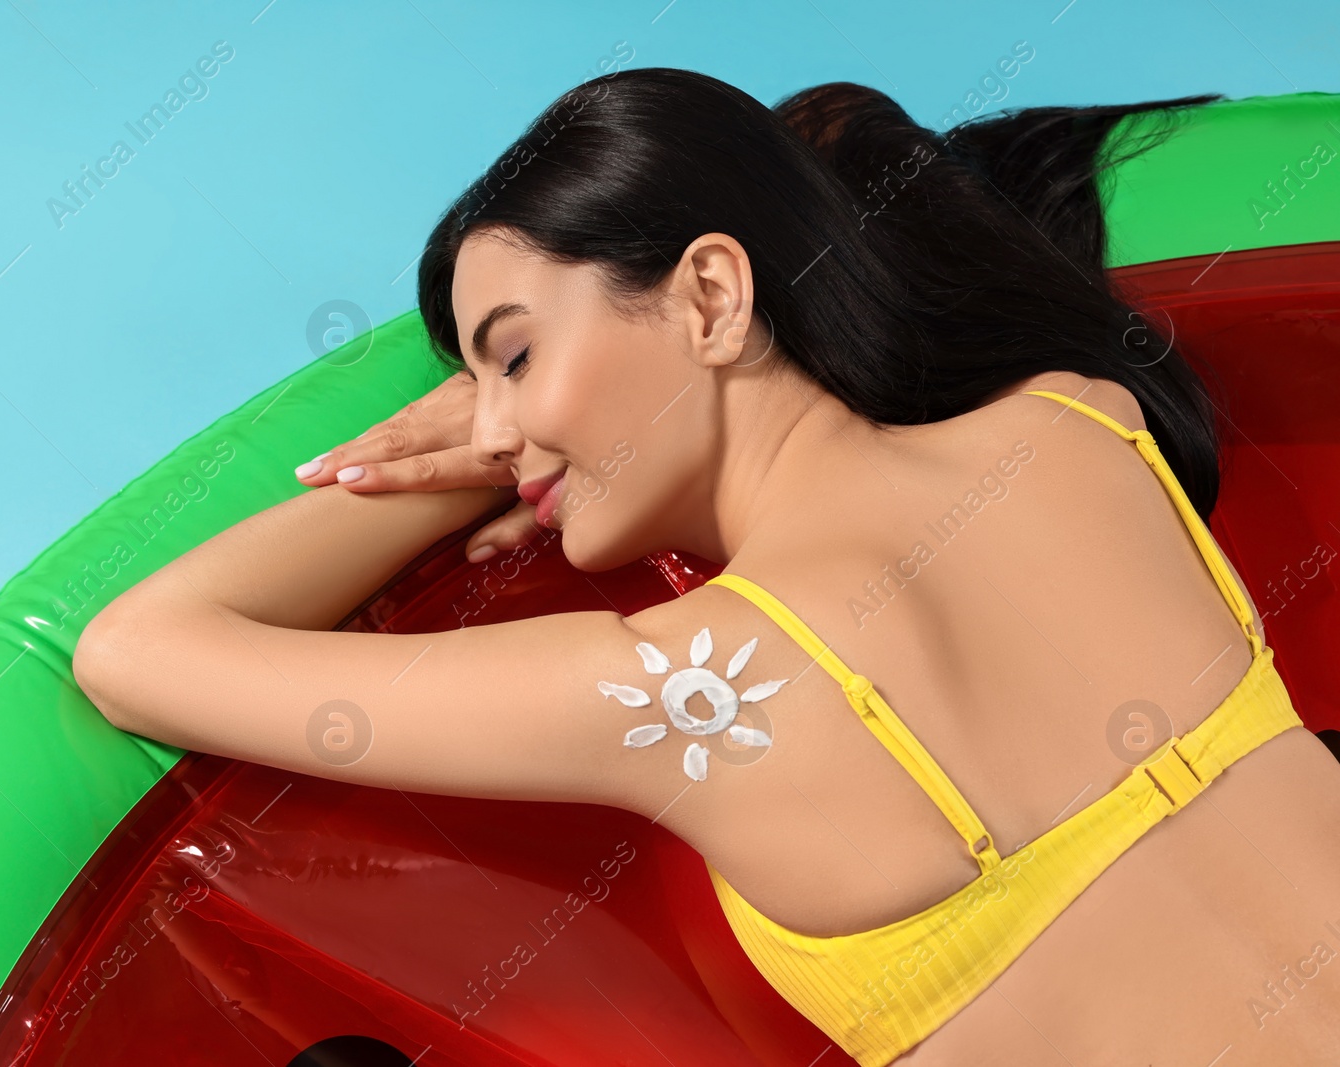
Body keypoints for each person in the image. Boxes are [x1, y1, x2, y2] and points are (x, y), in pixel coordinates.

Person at [71, 69, 1340, 1064]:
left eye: (511, 356)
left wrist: (443, 462)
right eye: (475, 387)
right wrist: (546, 414)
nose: (497, 423)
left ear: (713, 295)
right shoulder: (1083, 421)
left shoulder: (677, 699)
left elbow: (135, 654)